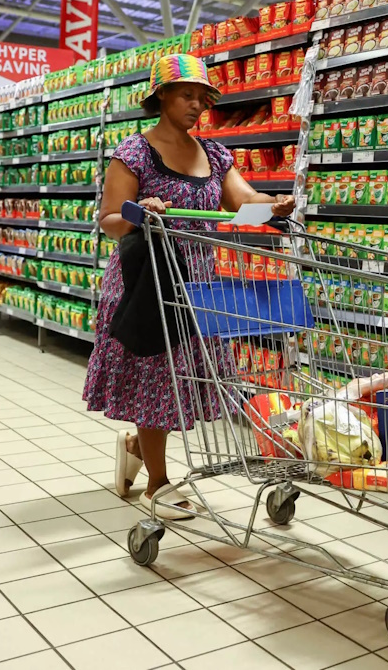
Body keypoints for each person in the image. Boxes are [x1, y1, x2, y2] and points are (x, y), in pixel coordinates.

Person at [84, 54, 294, 519]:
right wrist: (142, 213)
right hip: (147, 281)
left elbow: (243, 206)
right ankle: (157, 484)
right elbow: (110, 221)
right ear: (160, 95)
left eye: (203, 97)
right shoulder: (134, 153)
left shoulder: (216, 155)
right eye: (187, 95)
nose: (197, 104)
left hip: (196, 281)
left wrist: (271, 207)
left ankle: (139, 444)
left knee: (181, 379)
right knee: (155, 378)